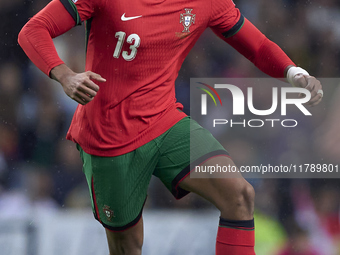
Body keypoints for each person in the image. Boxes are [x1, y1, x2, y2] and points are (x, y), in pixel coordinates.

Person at [18, 0, 323, 254]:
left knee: (239, 194)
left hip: (164, 122)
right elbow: (33, 30)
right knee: (128, 245)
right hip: (108, 135)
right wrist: (65, 75)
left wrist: (292, 72)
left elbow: (255, 44)